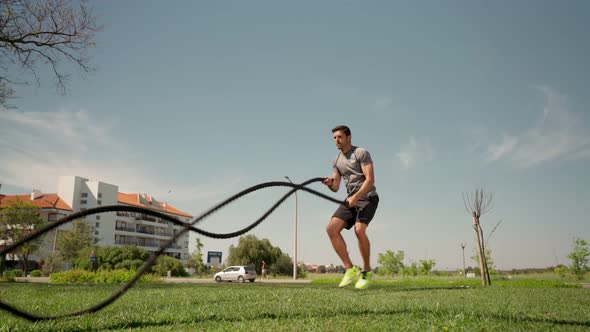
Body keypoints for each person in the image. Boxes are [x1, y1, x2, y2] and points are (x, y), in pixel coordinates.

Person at [323, 125, 379, 289]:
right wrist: (329, 184)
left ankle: (367, 272)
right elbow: (336, 187)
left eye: (339, 137)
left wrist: (356, 197)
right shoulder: (337, 161)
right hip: (351, 200)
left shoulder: (361, 153)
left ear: (349, 137)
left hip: (368, 197)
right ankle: (350, 268)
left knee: (359, 230)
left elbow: (370, 180)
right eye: (334, 138)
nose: (336, 141)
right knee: (331, 229)